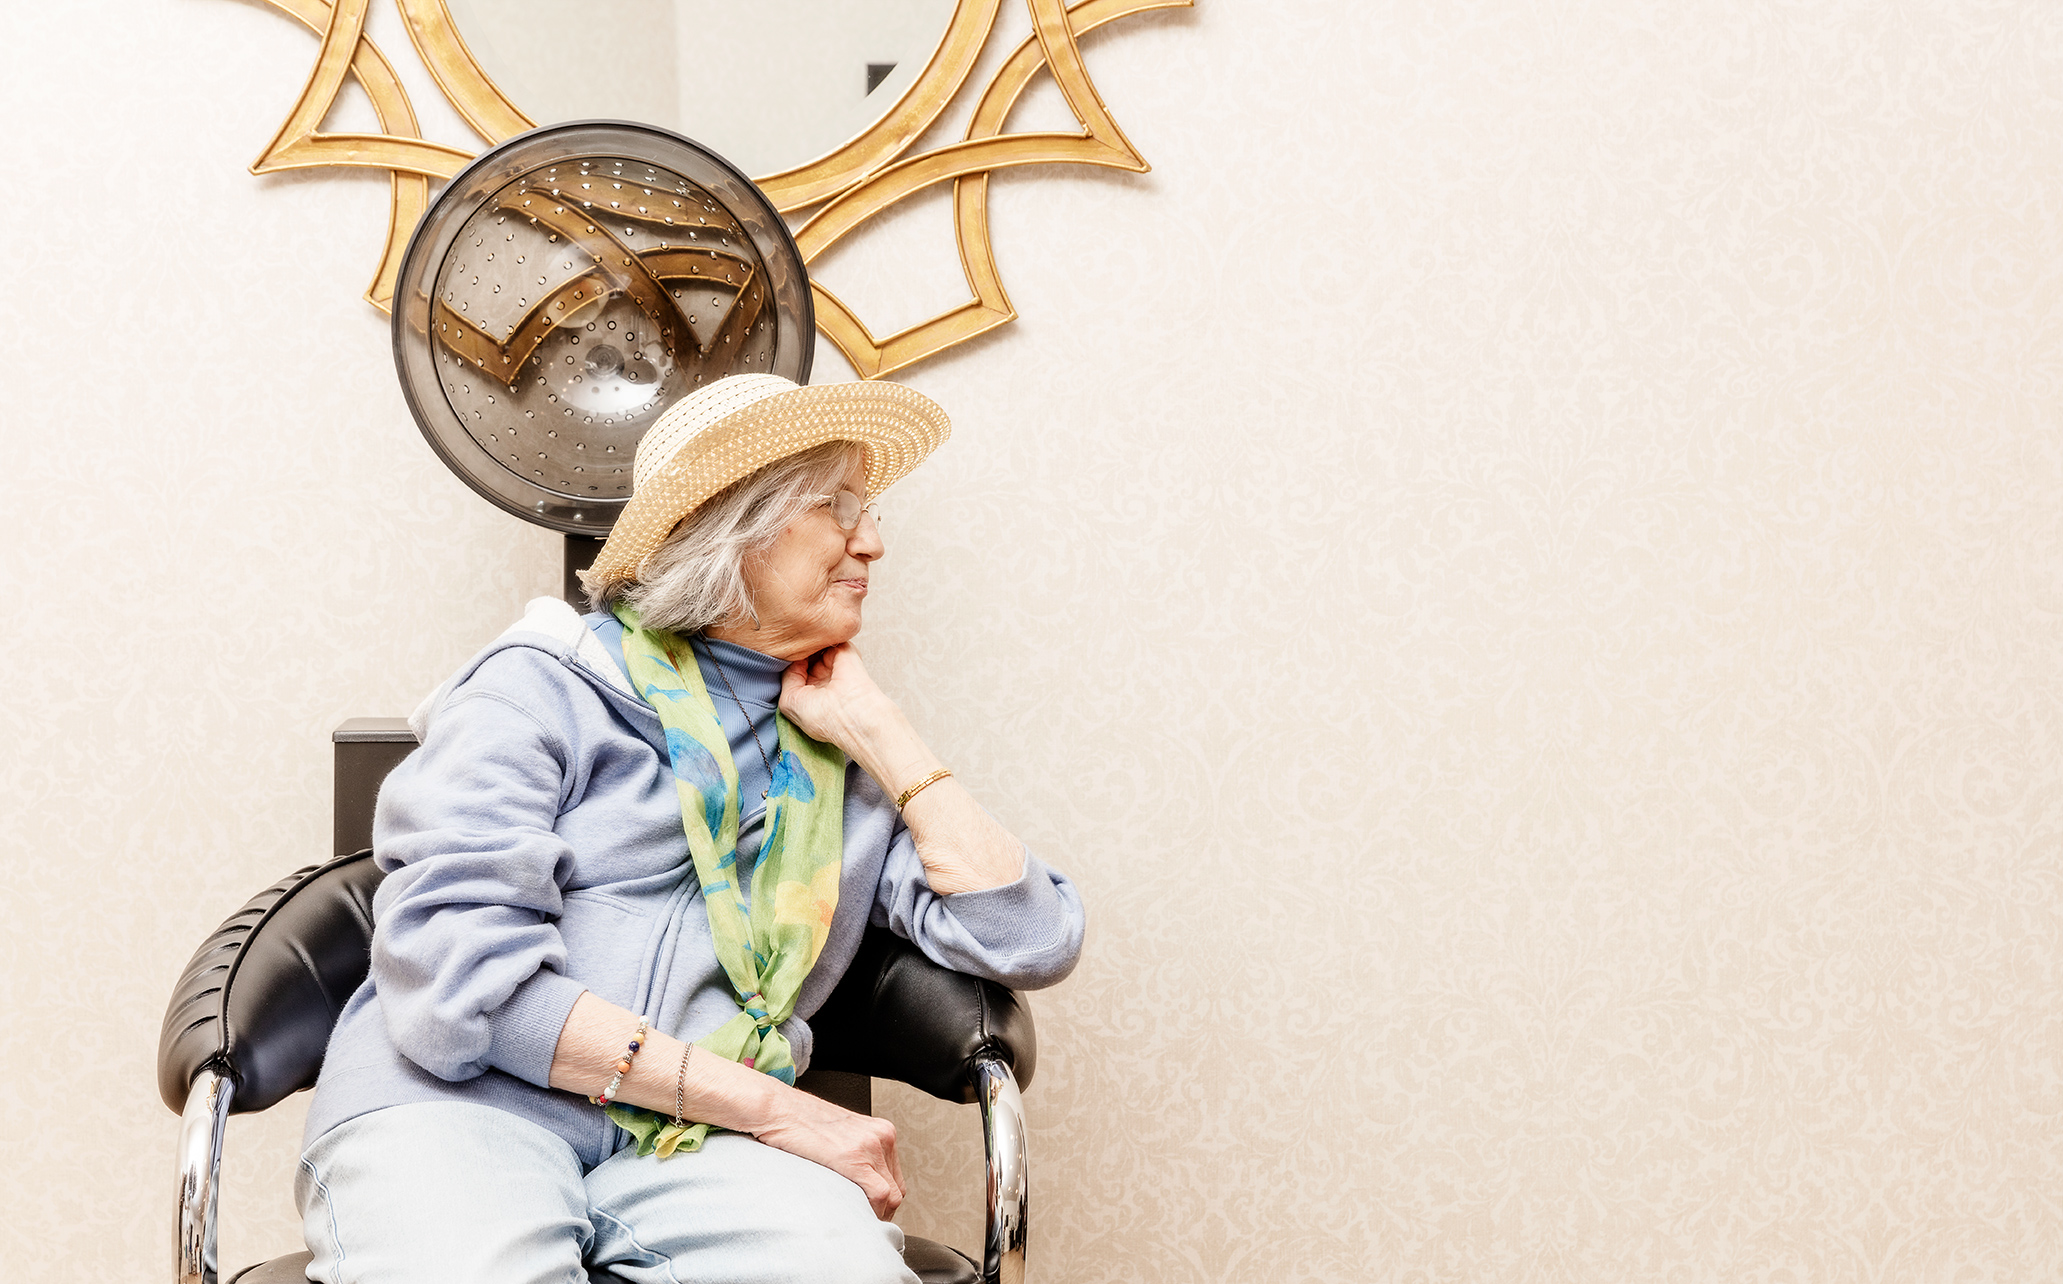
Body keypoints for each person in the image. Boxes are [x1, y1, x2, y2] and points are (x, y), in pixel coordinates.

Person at [297, 373, 1085, 1283]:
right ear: (734, 525)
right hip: (457, 1104)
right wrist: (776, 1108)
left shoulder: (837, 757)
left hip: (690, 1141)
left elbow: (1029, 939)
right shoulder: (538, 687)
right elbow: (462, 985)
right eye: (836, 507)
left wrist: (885, 736)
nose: (872, 540)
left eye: (868, 511)